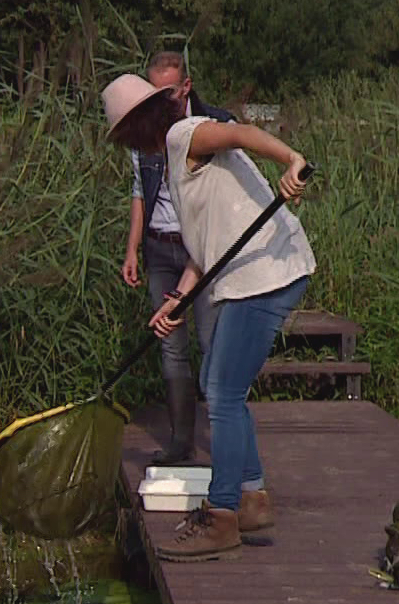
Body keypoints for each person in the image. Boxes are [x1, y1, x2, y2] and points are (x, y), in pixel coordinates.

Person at [101, 72, 314, 562]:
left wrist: (291, 160)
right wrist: (177, 298)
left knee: (221, 391)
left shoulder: (184, 134)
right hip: (250, 271)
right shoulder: (175, 161)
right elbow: (207, 245)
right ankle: (252, 500)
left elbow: (238, 130)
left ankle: (221, 516)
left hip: (268, 271)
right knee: (217, 382)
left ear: (136, 126)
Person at [122, 50, 235, 466]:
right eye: (154, 92)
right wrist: (132, 248)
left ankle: (225, 442)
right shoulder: (145, 131)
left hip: (200, 250)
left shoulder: (211, 125)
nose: (161, 101)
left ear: (185, 87)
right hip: (159, 245)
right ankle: (180, 442)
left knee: (211, 342)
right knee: (171, 345)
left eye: (167, 92)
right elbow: (139, 191)